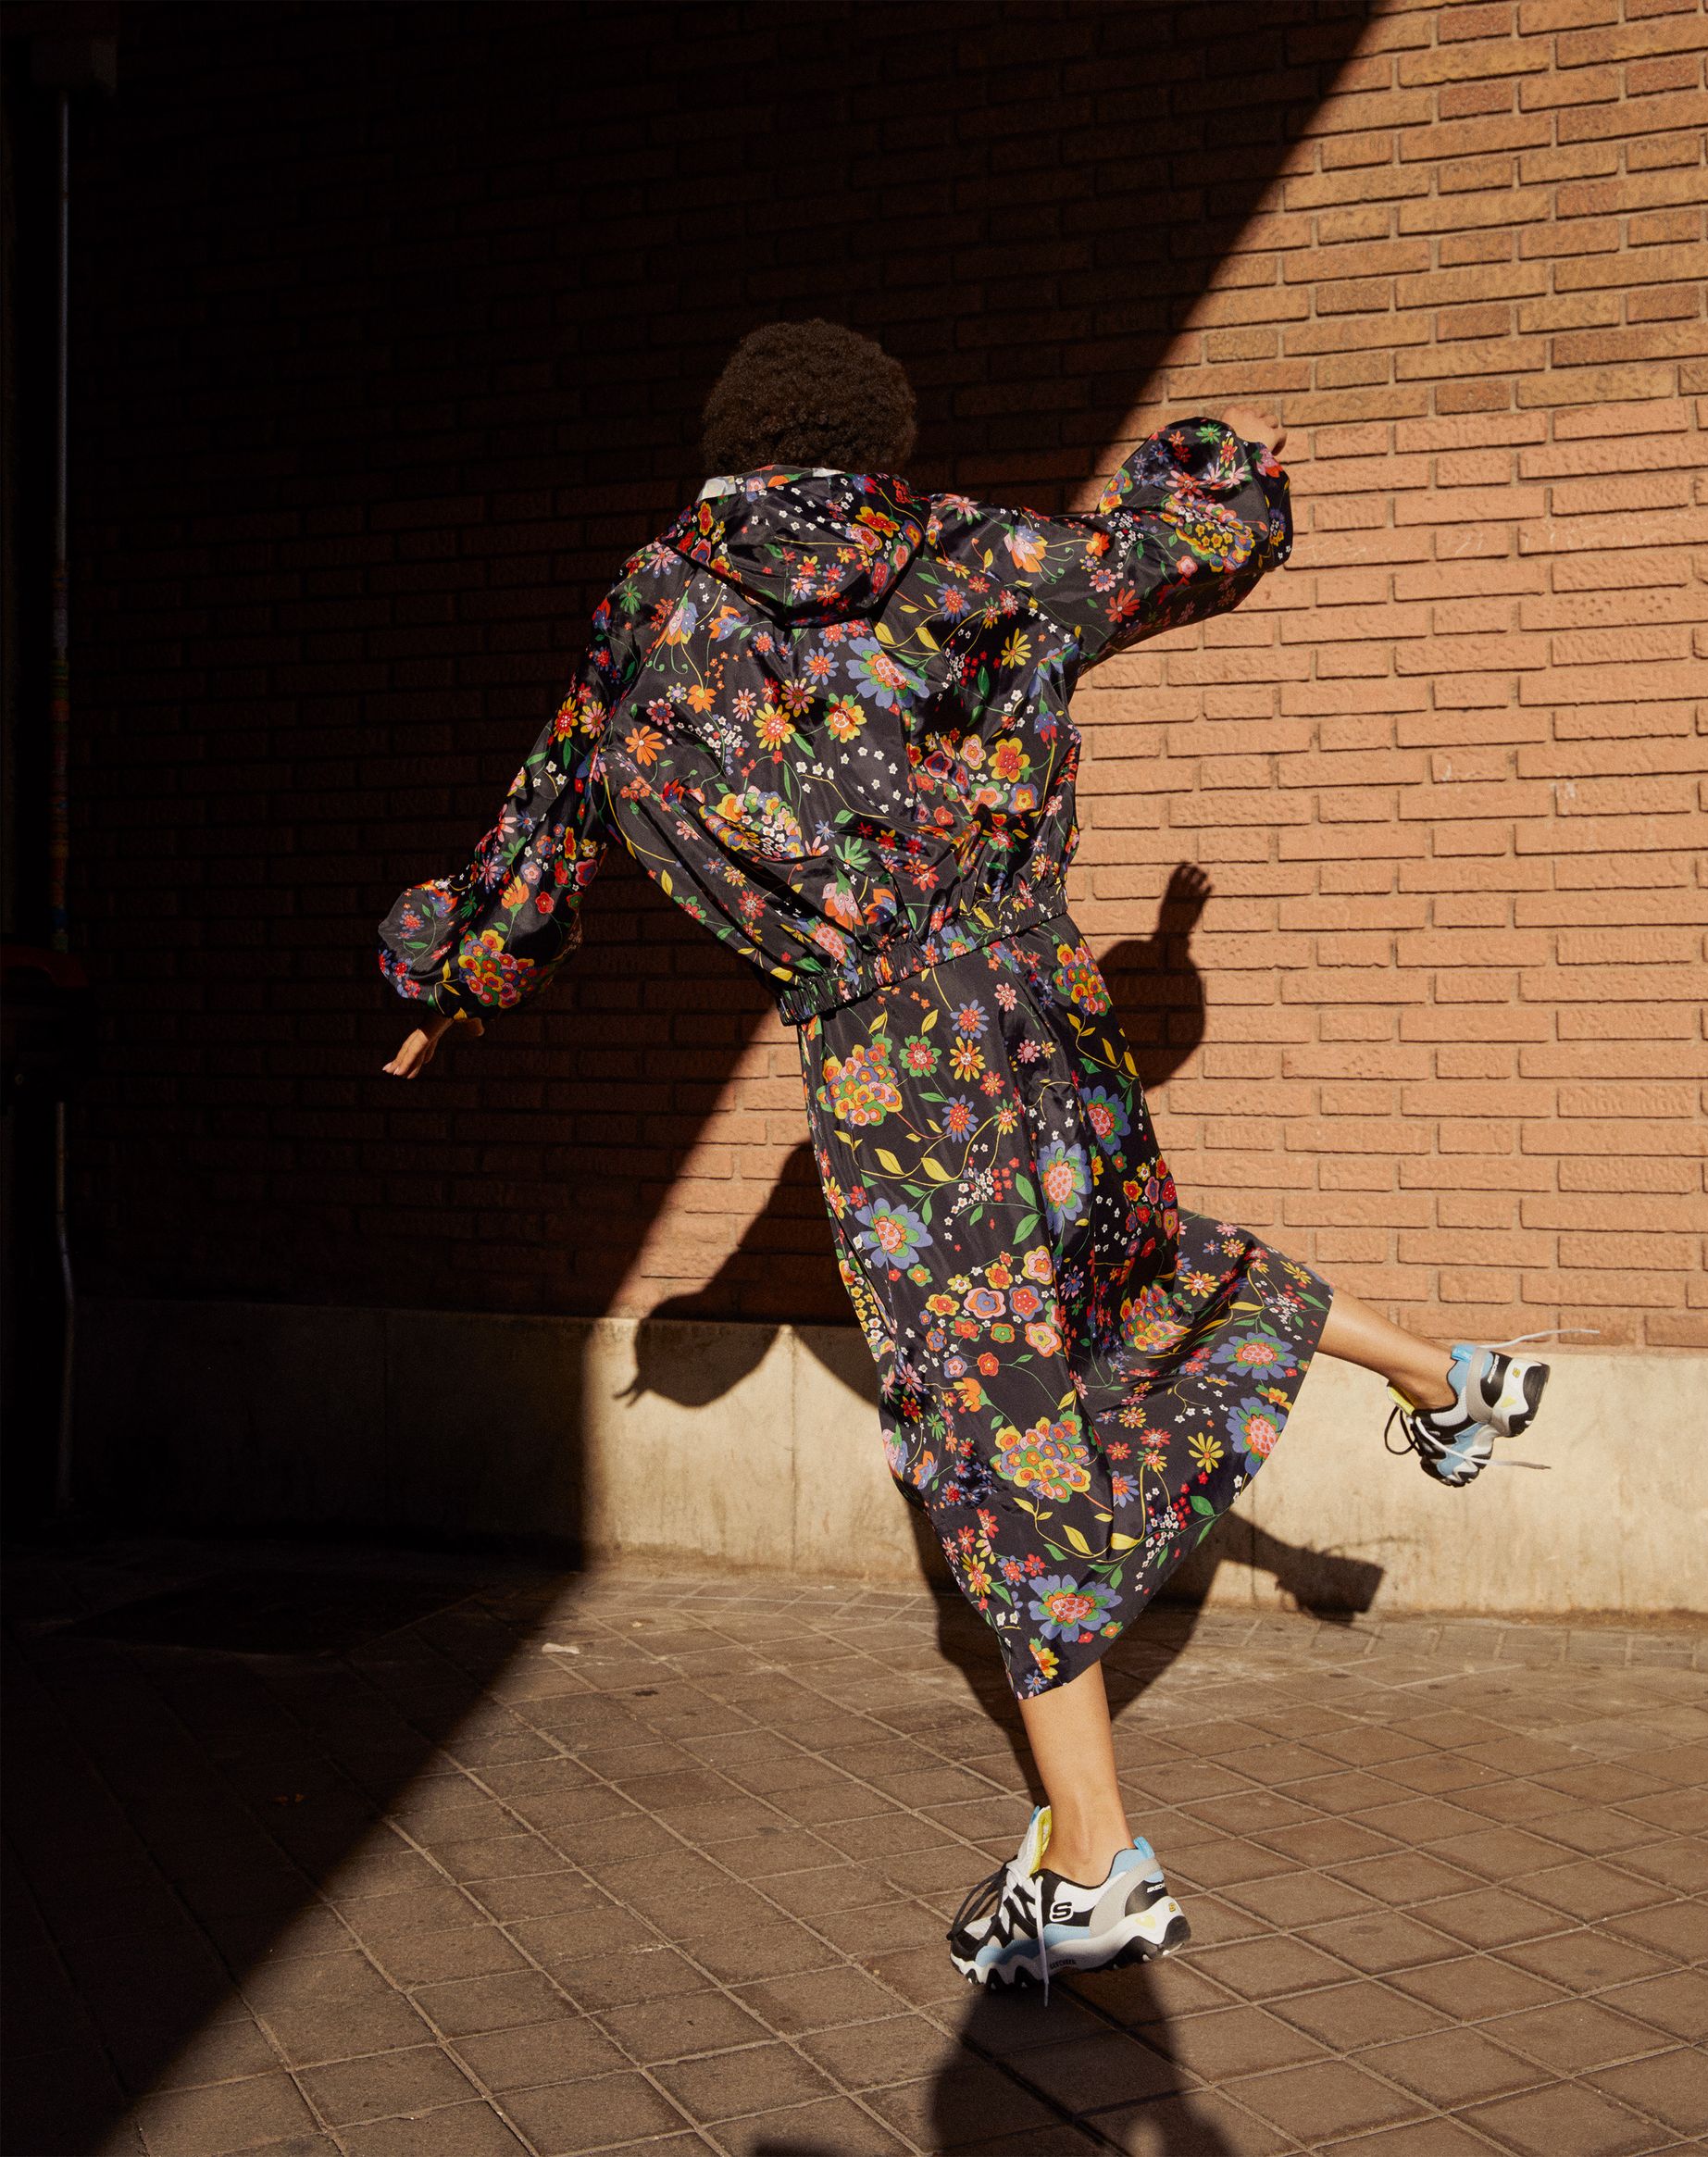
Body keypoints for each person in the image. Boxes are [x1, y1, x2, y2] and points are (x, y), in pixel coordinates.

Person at [378, 318, 1558, 1993]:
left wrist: (455, 980)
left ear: (729, 443)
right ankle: (1456, 1383)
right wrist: (1221, 469)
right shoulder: (976, 549)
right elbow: (1192, 550)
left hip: (894, 1055)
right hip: (1046, 1003)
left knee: (994, 1431)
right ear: (877, 440)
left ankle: (1093, 1855)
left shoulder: (658, 602)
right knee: (1135, 1273)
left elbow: (554, 807)